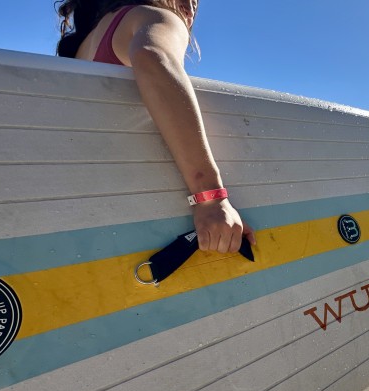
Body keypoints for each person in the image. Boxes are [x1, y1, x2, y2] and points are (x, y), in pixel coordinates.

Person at [56, 0, 255, 254]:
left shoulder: (83, 47)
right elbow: (152, 55)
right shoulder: (151, 17)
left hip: (88, 216)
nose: (192, 6)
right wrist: (210, 197)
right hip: (132, 221)